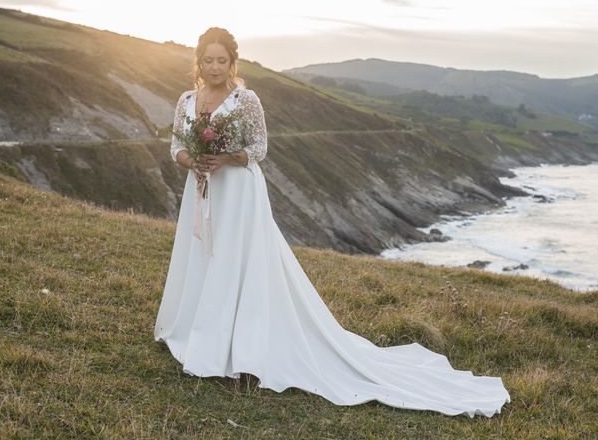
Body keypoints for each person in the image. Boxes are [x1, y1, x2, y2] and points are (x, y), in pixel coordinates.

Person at [154, 27, 511, 418]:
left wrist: (224, 158)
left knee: (235, 263)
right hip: (203, 189)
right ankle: (197, 333)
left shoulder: (246, 99)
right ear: (199, 61)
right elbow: (177, 147)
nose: (216, 67)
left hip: (238, 192)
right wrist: (195, 161)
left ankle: (236, 350)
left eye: (223, 60)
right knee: (204, 256)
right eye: (209, 60)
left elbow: (259, 148)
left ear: (232, 62)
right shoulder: (187, 99)